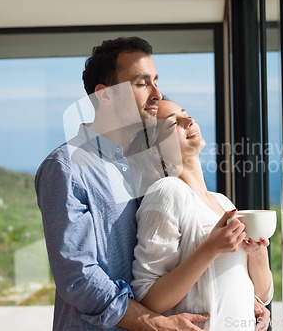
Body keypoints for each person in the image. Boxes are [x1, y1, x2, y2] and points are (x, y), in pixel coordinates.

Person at [35, 37, 210, 330]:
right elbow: (78, 278)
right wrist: (152, 323)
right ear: (105, 96)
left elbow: (177, 253)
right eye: (142, 83)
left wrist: (240, 296)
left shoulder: (150, 163)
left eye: (155, 81)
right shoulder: (66, 167)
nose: (157, 93)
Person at [131, 98, 274, 330]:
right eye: (172, 123)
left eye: (186, 114)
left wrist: (258, 253)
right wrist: (211, 248)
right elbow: (149, 299)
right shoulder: (167, 191)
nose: (188, 121)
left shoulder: (222, 201)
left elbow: (263, 294)